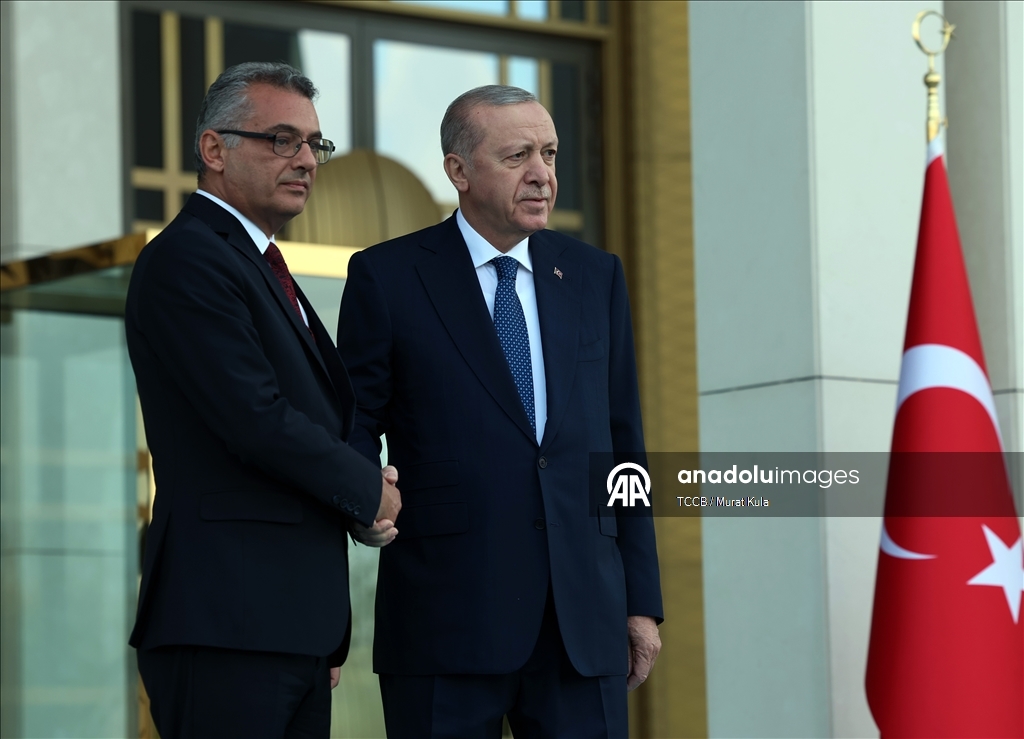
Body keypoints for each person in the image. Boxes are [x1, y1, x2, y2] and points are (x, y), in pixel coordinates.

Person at [337, 85, 663, 738]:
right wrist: (364, 500)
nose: (542, 174)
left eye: (550, 153)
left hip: (582, 621)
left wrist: (640, 600)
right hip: (445, 617)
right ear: (458, 170)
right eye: (518, 156)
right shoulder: (387, 276)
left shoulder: (595, 275)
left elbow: (623, 445)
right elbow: (351, 426)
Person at [125, 61, 401, 739]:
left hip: (289, 629)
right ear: (214, 149)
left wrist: (357, 503)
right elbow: (256, 418)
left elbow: (306, 421)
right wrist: (367, 489)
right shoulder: (189, 258)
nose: (305, 159)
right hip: (227, 626)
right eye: (282, 140)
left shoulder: (261, 265)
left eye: (314, 144)